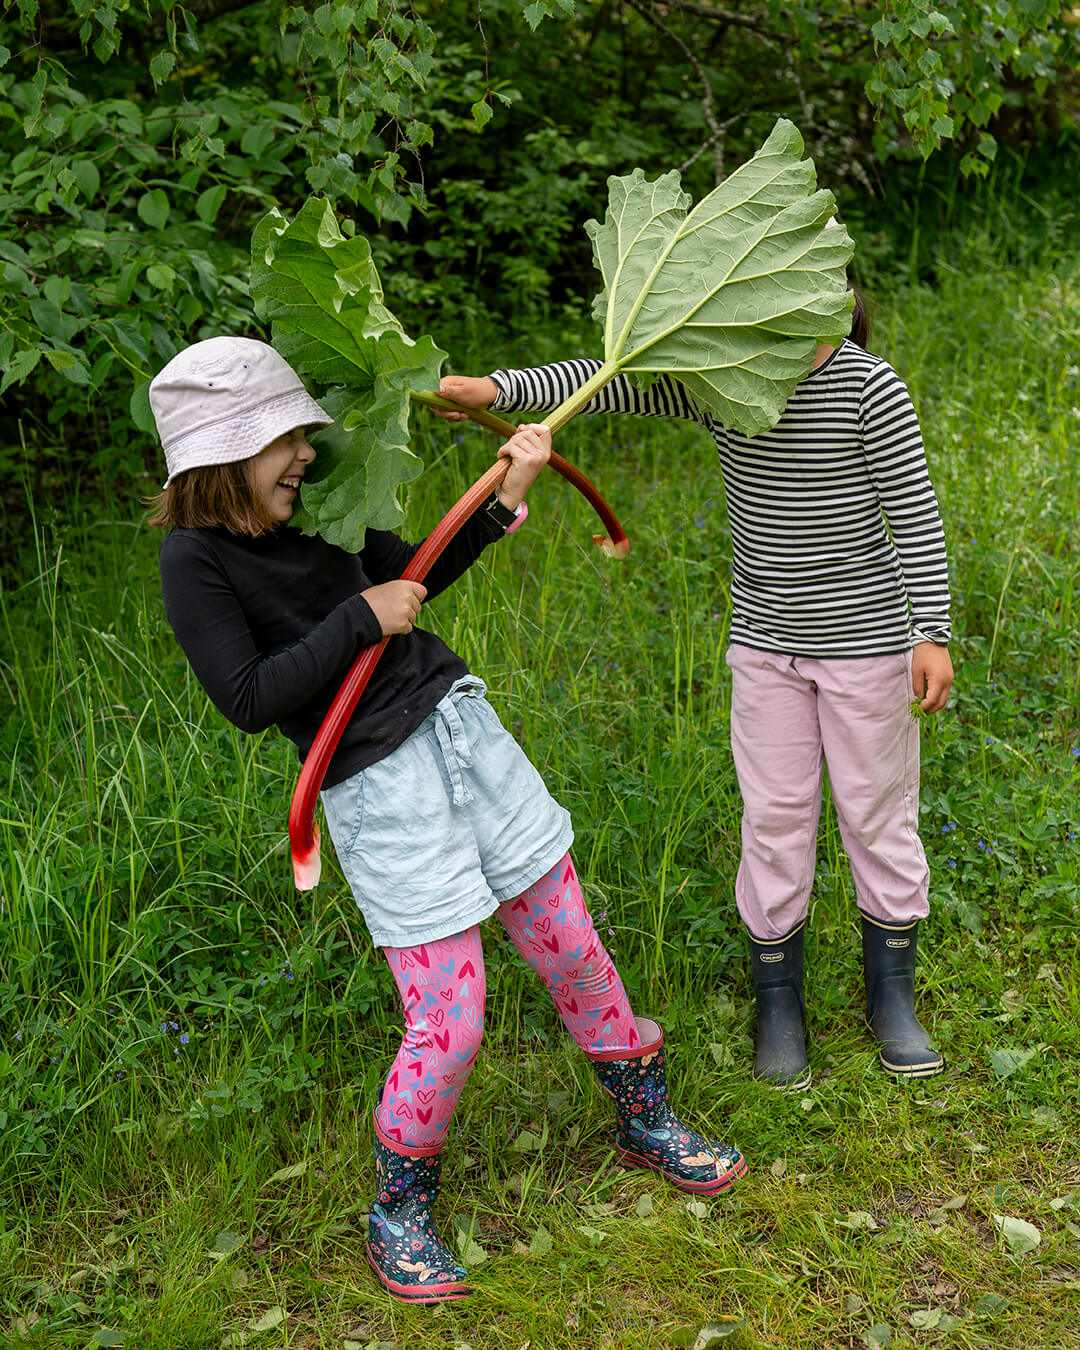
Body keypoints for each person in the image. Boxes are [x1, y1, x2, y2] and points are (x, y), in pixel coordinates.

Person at [147, 335, 747, 1306]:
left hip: (463, 730)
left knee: (575, 949)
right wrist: (357, 621)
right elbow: (251, 696)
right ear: (223, 458)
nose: (305, 451)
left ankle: (645, 1118)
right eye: (283, 441)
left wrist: (505, 495)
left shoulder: (327, 499)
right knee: (452, 1022)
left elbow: (416, 574)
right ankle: (400, 1210)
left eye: (302, 432)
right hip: (378, 790)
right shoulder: (195, 560)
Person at [434, 287, 954, 1092]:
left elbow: (914, 513)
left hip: (867, 648)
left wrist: (931, 631)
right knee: (775, 817)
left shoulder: (867, 385)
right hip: (766, 646)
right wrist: (498, 390)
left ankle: (893, 998)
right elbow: (611, 379)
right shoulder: (720, 378)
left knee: (877, 813)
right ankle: (778, 1002)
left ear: (829, 296)